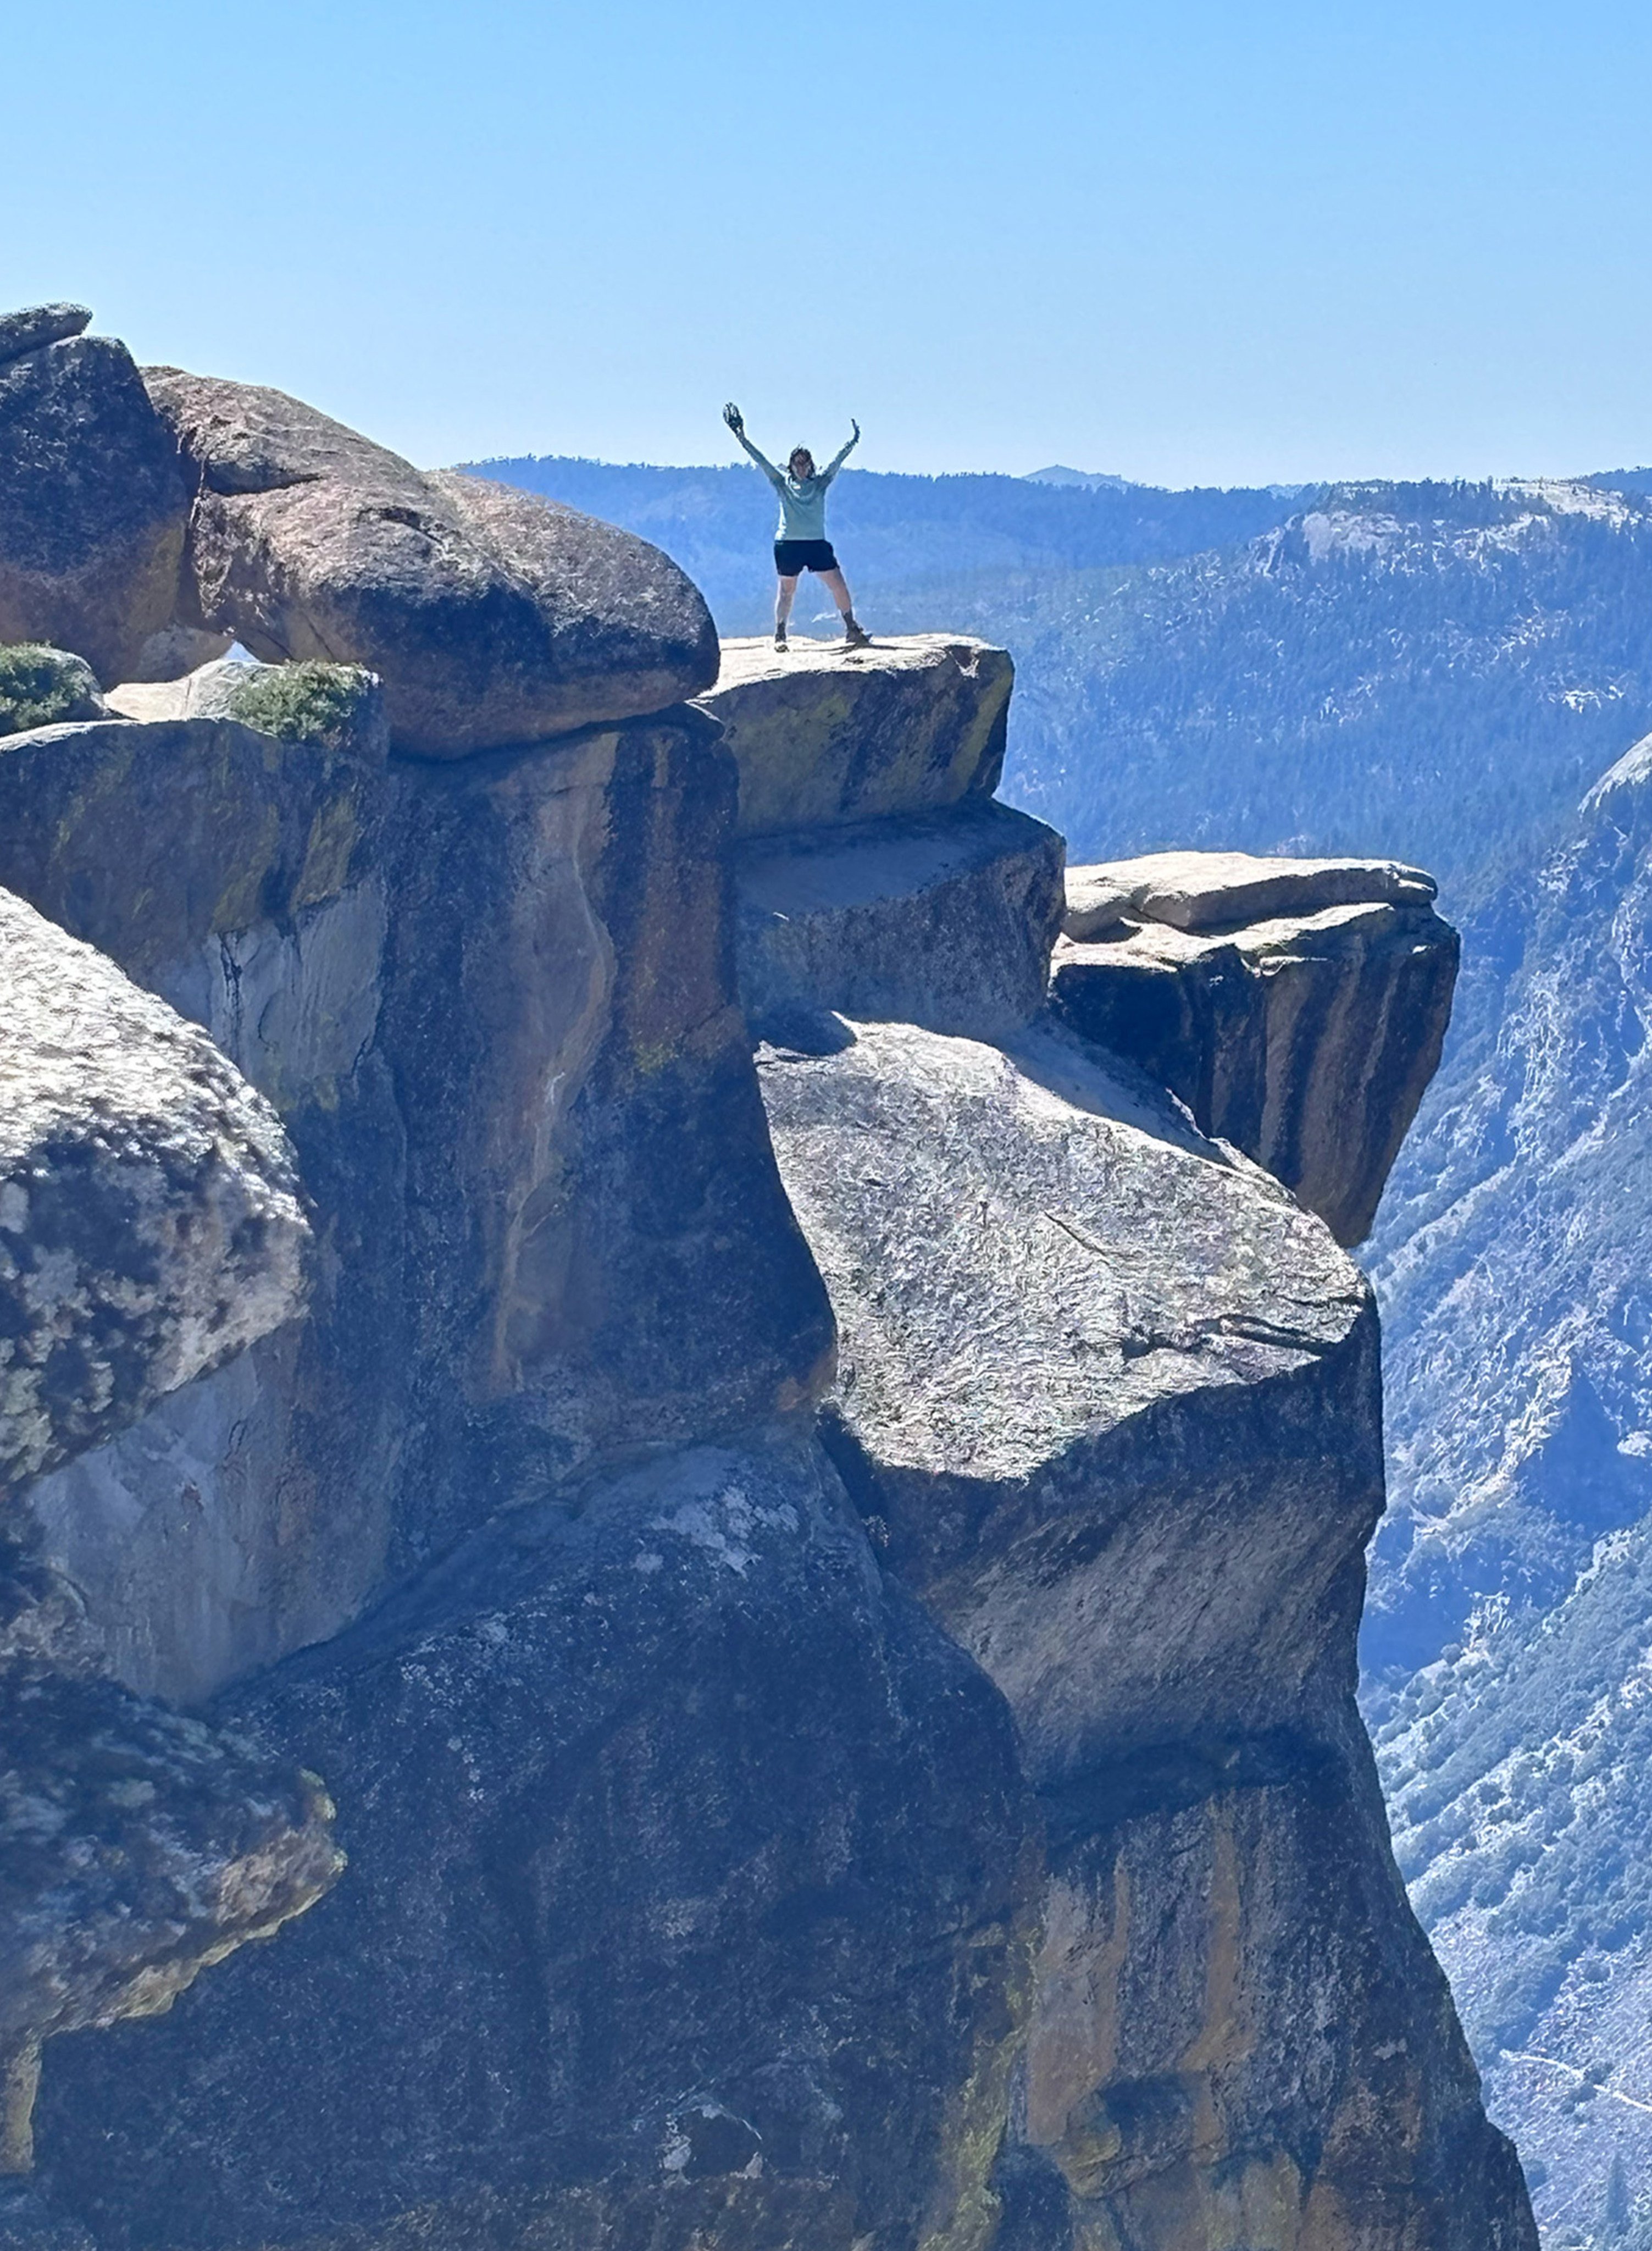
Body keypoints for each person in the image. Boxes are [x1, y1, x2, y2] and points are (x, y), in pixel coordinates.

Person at [723, 402, 870, 650]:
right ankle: (780, 635)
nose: (802, 467)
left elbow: (837, 461)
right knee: (787, 591)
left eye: (805, 463)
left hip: (815, 544)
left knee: (838, 584)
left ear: (811, 465)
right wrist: (741, 437)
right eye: (798, 463)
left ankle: (851, 629)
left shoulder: (821, 484)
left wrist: (853, 441)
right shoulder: (781, 484)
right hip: (788, 544)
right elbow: (761, 460)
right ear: (791, 465)